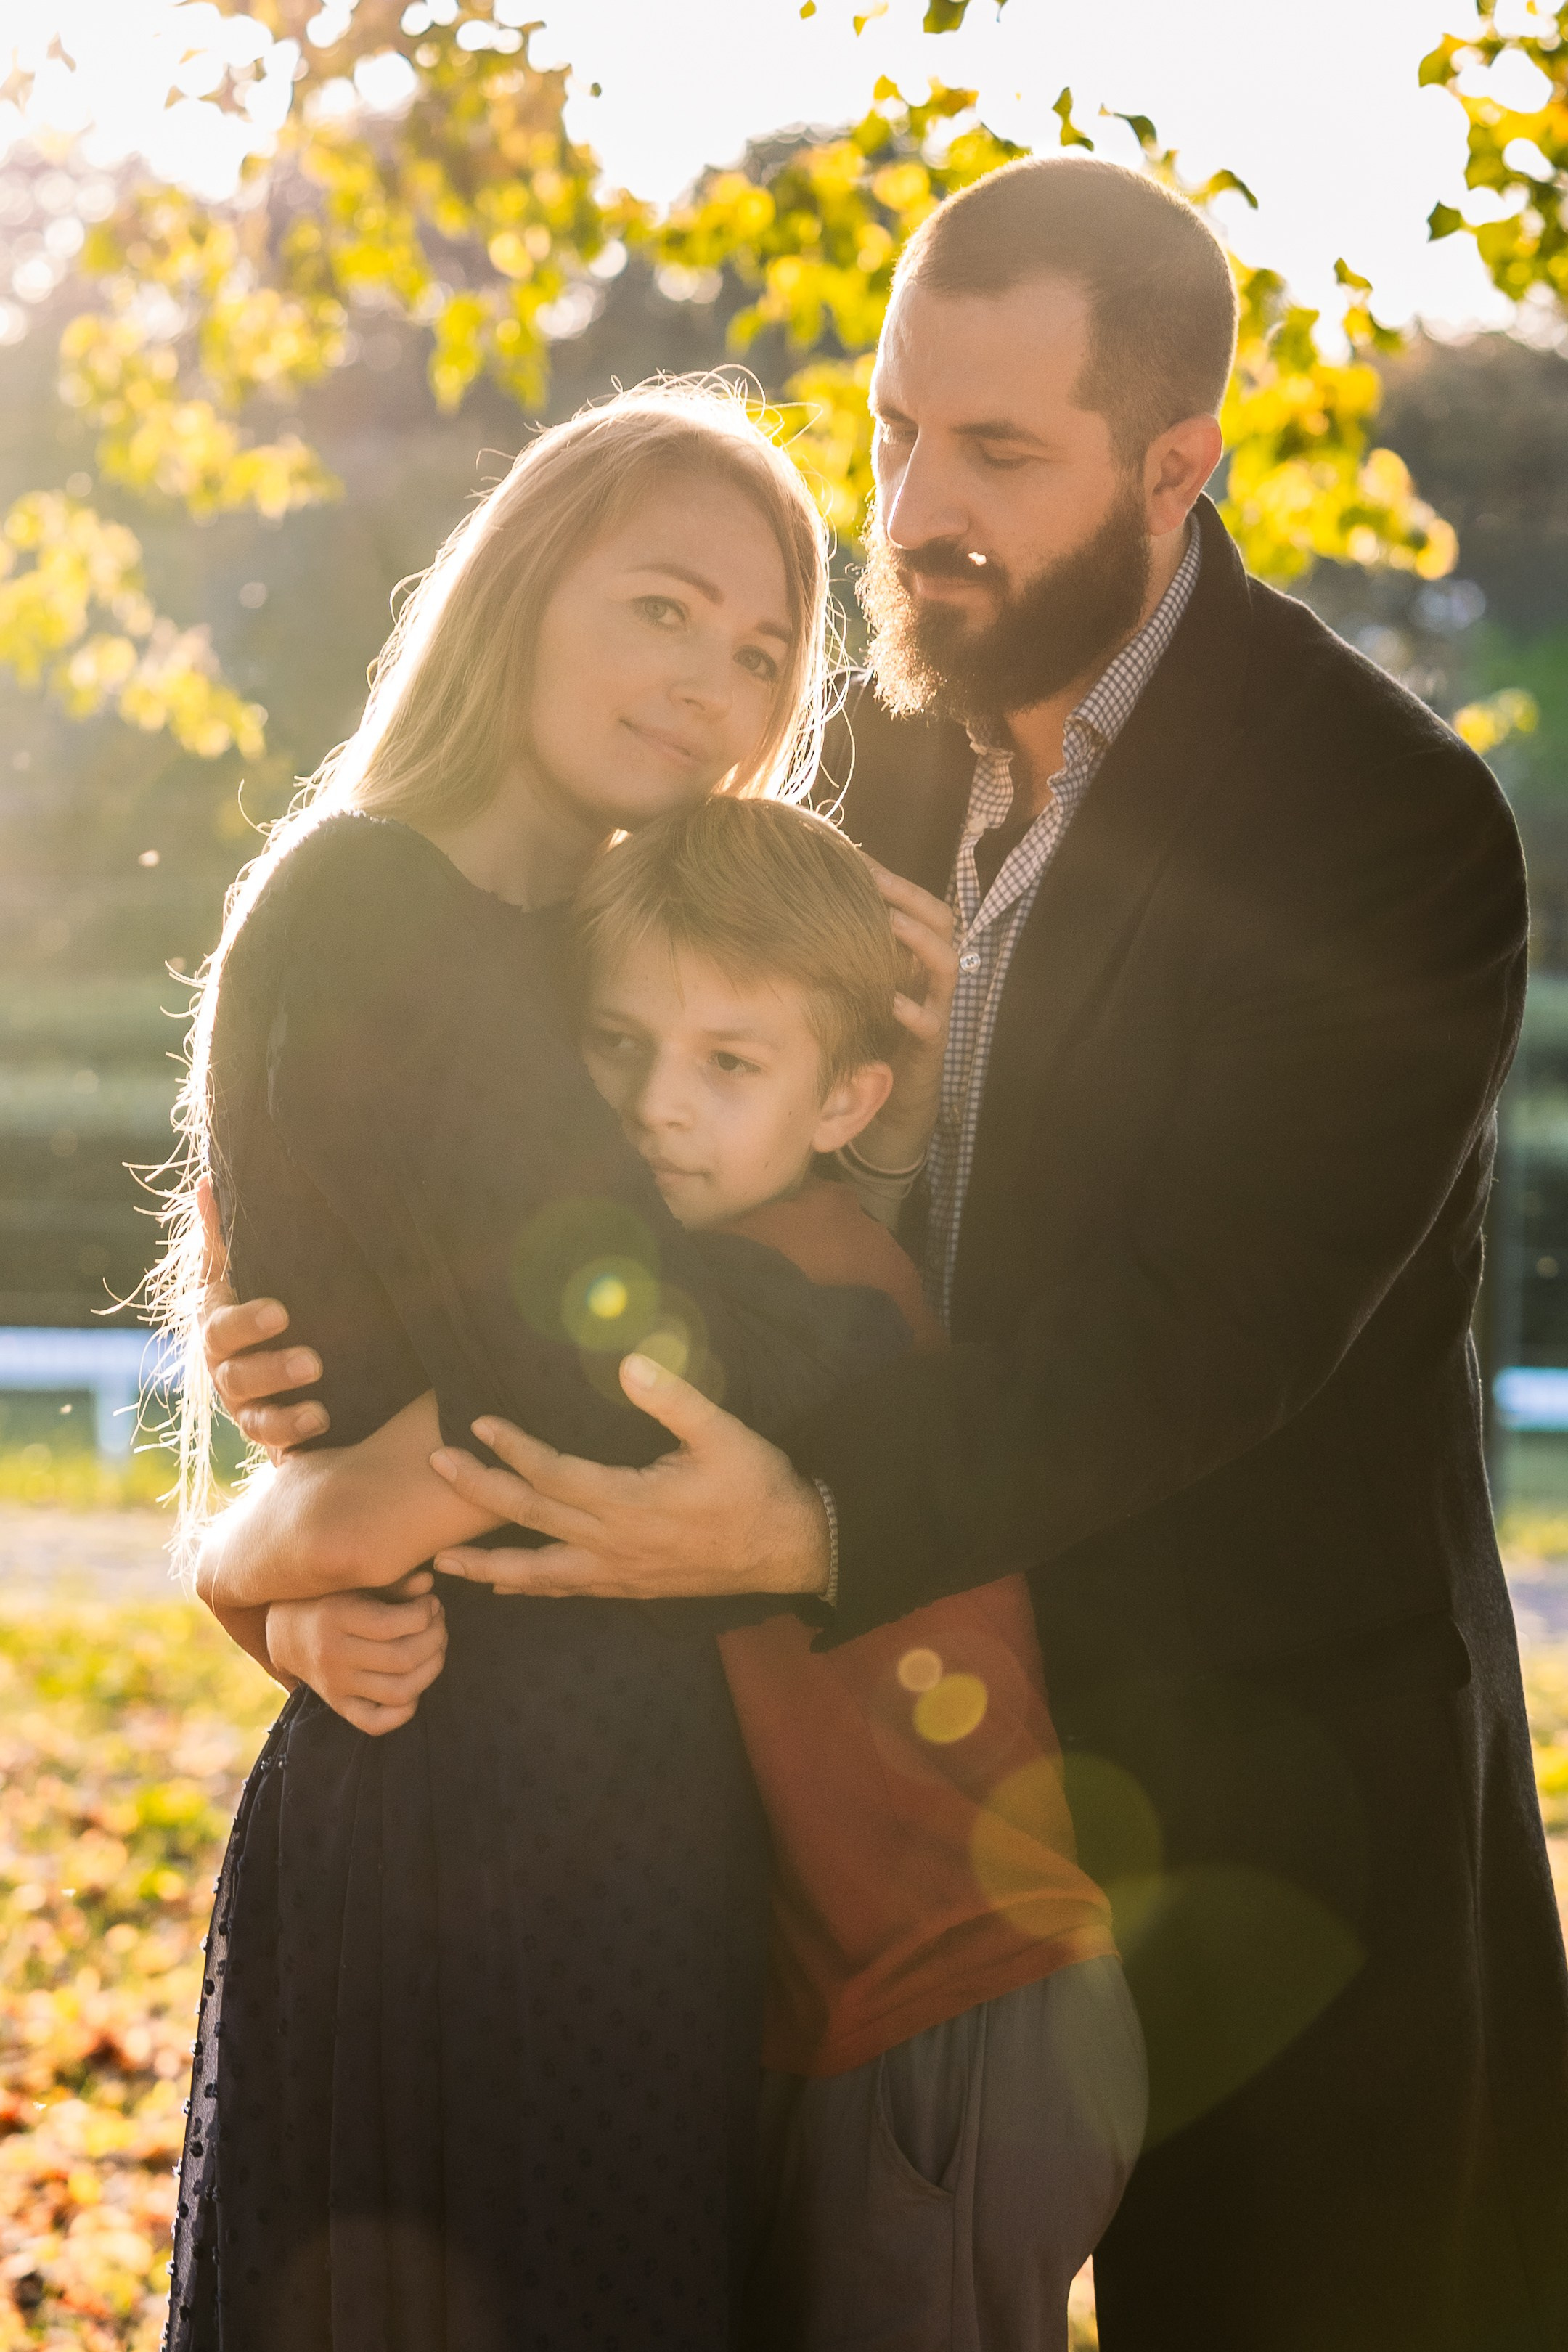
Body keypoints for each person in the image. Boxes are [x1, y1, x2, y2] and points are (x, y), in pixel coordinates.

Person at [215, 158, 1568, 2347]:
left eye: (1002, 455)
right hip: (853, 1823)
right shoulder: (841, 761)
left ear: (1174, 465)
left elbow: (1201, 1341)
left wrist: (818, 1518)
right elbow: (513, 1187)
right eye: (897, 431)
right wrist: (276, 1525)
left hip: (1255, 1807)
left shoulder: (1387, 827)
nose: (920, 507)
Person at [155, 379, 956, 2352]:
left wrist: (894, 1126)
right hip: (467, 1811)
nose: (711, 682)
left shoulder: (593, 944)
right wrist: (277, 1544)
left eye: (764, 651)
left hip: (630, 1808)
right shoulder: (370, 910)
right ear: (523, 586)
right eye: (663, 608)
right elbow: (615, 1374)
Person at [195, 795, 1148, 2352]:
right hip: (850, 1992)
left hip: (954, 2000)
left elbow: (381, 1515)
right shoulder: (766, 1255)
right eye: (614, 1046)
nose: (656, 1107)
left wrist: (240, 1575)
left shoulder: (771, 1308)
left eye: (728, 1063)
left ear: (844, 1097)